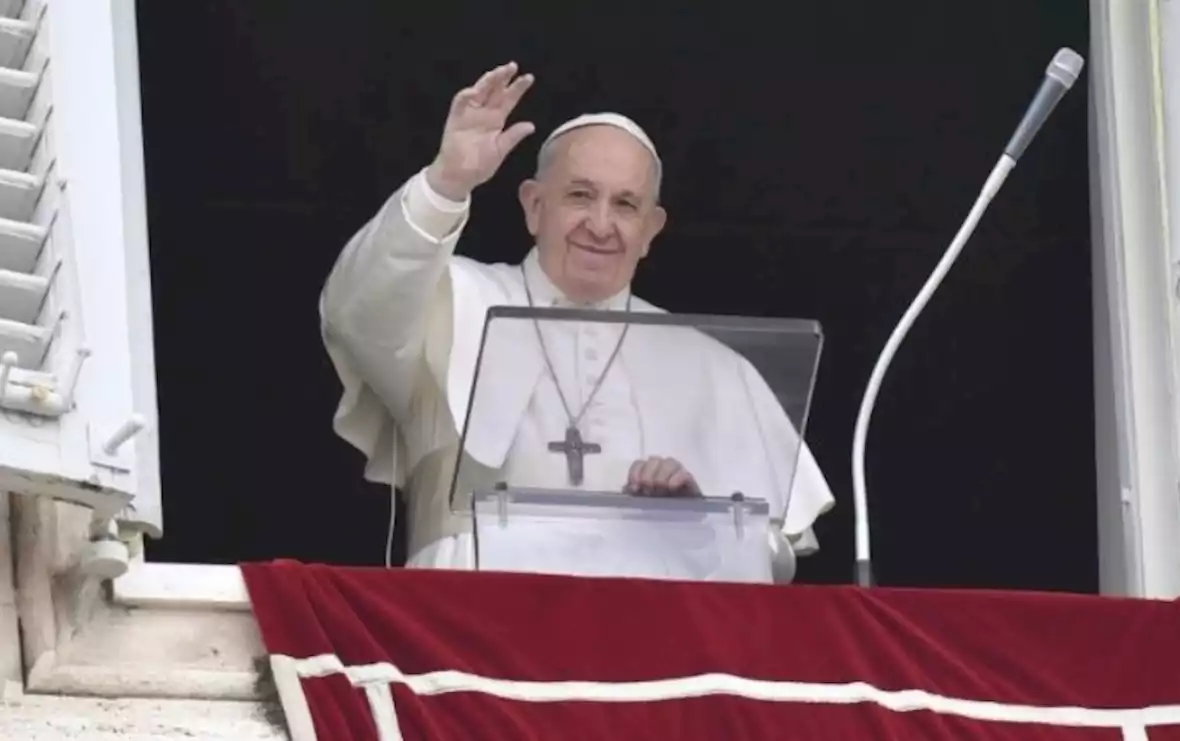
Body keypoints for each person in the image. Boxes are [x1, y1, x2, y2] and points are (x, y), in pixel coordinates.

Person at [320, 62, 834, 581]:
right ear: (534, 205)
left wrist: (702, 523)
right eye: (580, 195)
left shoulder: (716, 366)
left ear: (651, 230)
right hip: (468, 626)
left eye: (626, 204)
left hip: (655, 645)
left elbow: (777, 561)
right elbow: (358, 309)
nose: (601, 224)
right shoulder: (451, 301)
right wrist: (446, 184)